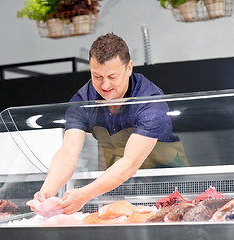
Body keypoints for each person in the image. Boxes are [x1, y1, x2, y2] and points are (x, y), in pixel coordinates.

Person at [33, 33, 188, 215]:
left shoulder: (150, 101)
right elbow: (68, 152)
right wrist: (46, 192)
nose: (105, 85)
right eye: (97, 76)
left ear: (129, 68)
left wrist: (84, 195)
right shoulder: (83, 101)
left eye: (112, 76)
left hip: (167, 182)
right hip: (114, 184)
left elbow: (130, 163)